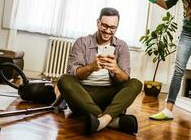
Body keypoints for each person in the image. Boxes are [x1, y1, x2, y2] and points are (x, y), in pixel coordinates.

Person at [57, 7, 142, 135]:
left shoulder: (122, 46)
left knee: (136, 83)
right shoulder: (82, 42)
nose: (108, 31)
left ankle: (101, 120)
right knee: (64, 79)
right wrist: (91, 67)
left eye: (113, 27)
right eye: (104, 26)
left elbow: (125, 78)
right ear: (98, 23)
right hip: (83, 95)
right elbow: (74, 73)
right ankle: (111, 120)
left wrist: (116, 70)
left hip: (109, 96)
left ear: (117, 27)